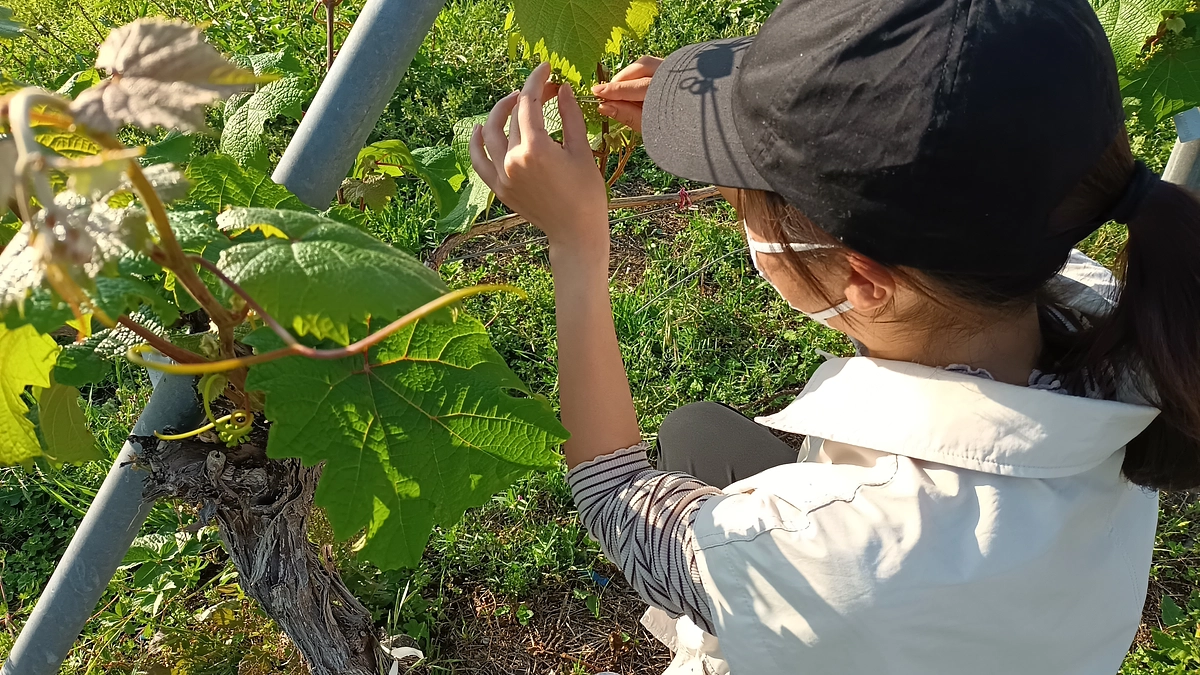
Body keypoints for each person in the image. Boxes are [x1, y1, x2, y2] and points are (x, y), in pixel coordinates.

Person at [468, 0, 1200, 672]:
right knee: (698, 433)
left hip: (850, 608)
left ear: (866, 281)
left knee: (686, 450)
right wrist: (744, 147)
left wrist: (574, 242)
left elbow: (613, 492)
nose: (741, 208)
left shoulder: (832, 548)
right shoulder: (1103, 312)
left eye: (752, 202)